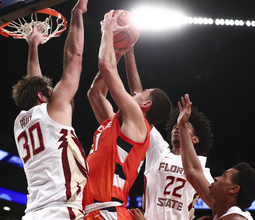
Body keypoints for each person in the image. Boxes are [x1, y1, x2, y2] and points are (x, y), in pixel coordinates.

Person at [83, 10, 172, 220]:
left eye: (143, 92)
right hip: (95, 209)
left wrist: (107, 32)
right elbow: (95, 94)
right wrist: (120, 52)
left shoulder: (138, 121)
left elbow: (105, 66)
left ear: (146, 104)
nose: (137, 92)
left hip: (108, 210)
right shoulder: (118, 125)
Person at [12, 0, 88, 219]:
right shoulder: (52, 111)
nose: (55, 91)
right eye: (50, 90)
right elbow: (74, 56)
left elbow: (34, 81)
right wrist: (78, 13)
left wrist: (33, 46)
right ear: (41, 96)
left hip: (34, 211)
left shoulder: (20, 122)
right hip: (60, 211)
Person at [122, 47, 214, 219]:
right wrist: (130, 52)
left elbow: (219, 203)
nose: (177, 127)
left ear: (195, 139)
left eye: (185, 126)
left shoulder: (201, 167)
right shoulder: (159, 150)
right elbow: (140, 103)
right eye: (176, 125)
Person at [178, 94, 255, 220]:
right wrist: (182, 126)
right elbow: (193, 171)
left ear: (233, 189)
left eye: (224, 175)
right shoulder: (221, 209)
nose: (215, 178)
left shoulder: (235, 218)